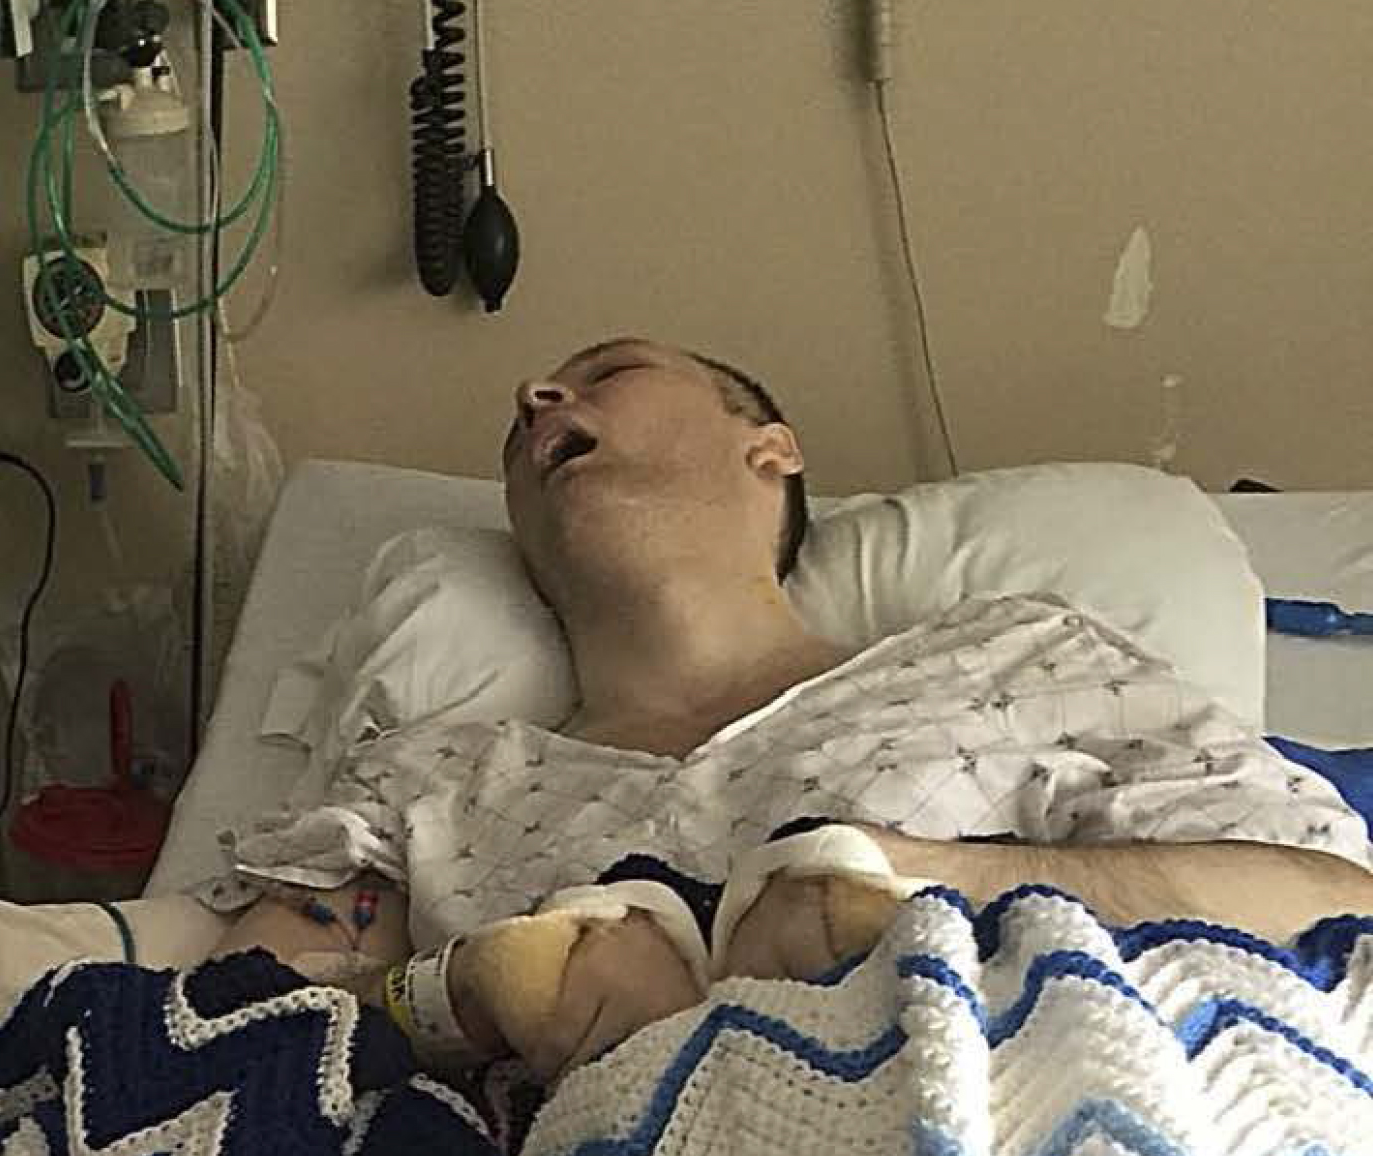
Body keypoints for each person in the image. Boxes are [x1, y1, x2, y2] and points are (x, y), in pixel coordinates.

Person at [200, 336, 1373, 1078]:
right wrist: (474, 994)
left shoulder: (1017, 655)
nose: (536, 393)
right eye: (527, 418)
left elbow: (1330, 908)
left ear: (770, 452)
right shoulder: (432, 778)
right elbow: (229, 1032)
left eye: (609, 371)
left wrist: (918, 885)